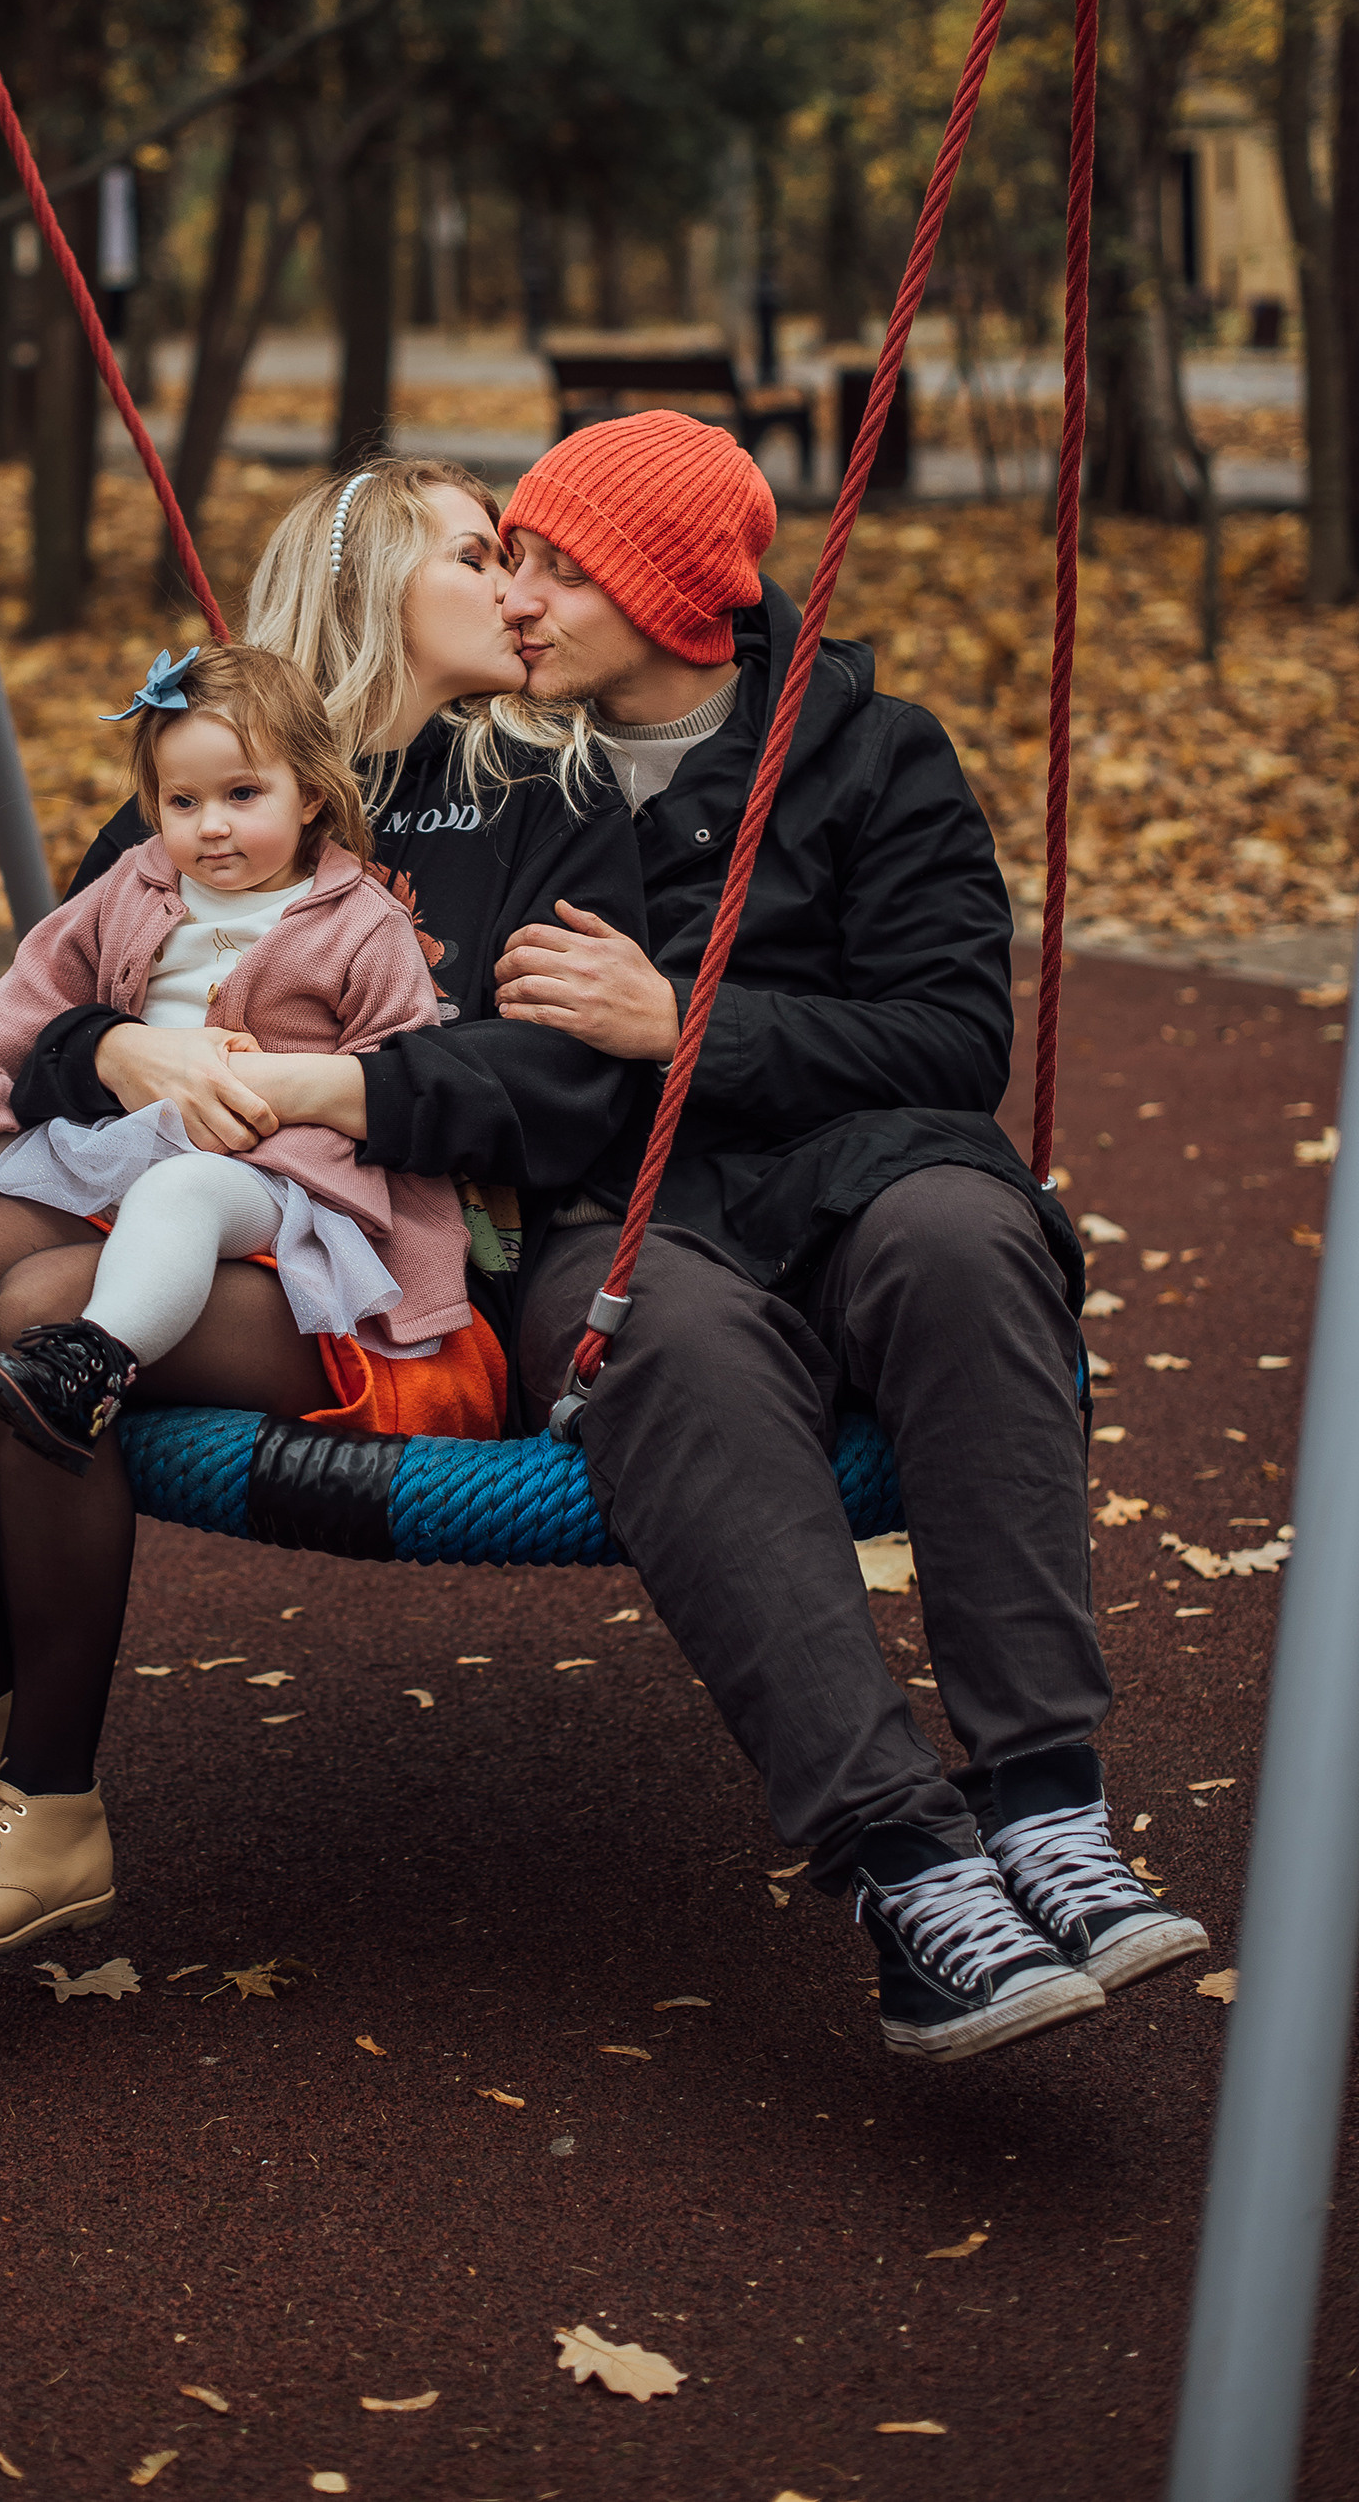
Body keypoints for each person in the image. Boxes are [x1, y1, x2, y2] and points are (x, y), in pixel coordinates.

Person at [0, 460, 646, 1962]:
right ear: (370, 584)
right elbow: (56, 1006)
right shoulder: (212, 779)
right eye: (479, 555)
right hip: (174, 1200)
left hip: (388, 1262)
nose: (517, 589)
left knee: (41, 1310)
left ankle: (51, 1803)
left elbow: (555, 1093)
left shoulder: (546, 800)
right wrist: (118, 1051)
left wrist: (302, 1088)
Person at [474, 408, 1208, 2062]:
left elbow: (954, 1038)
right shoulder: (494, 773)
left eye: (557, 567)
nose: (514, 599)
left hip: (865, 1173)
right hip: (622, 1208)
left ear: (672, 591)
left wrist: (685, 1022)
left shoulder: (874, 756)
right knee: (659, 1337)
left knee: (966, 1236)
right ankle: (908, 1865)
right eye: (509, 560)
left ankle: (1046, 1803)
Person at [0, 641, 475, 1479]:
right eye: (183, 801)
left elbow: (394, 1072)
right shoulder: (137, 883)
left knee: (181, 1192)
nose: (212, 825)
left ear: (310, 794)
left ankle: (95, 1359)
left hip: (271, 1176)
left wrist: (394, 1223)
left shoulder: (362, 924)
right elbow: (35, 989)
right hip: (133, 1131)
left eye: (243, 794)